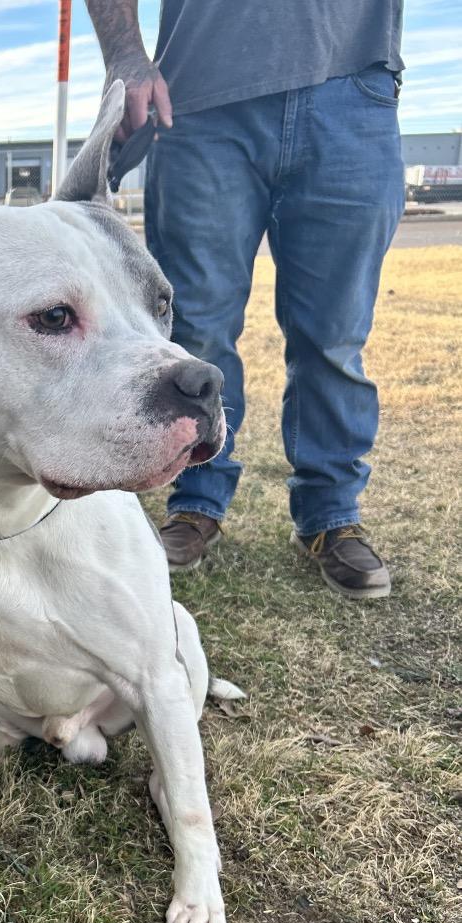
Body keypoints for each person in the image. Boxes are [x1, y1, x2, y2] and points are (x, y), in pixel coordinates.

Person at [86, 0, 405, 599]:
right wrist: (126, 55)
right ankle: (195, 501)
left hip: (351, 87)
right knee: (197, 331)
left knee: (335, 336)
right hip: (199, 97)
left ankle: (332, 514)